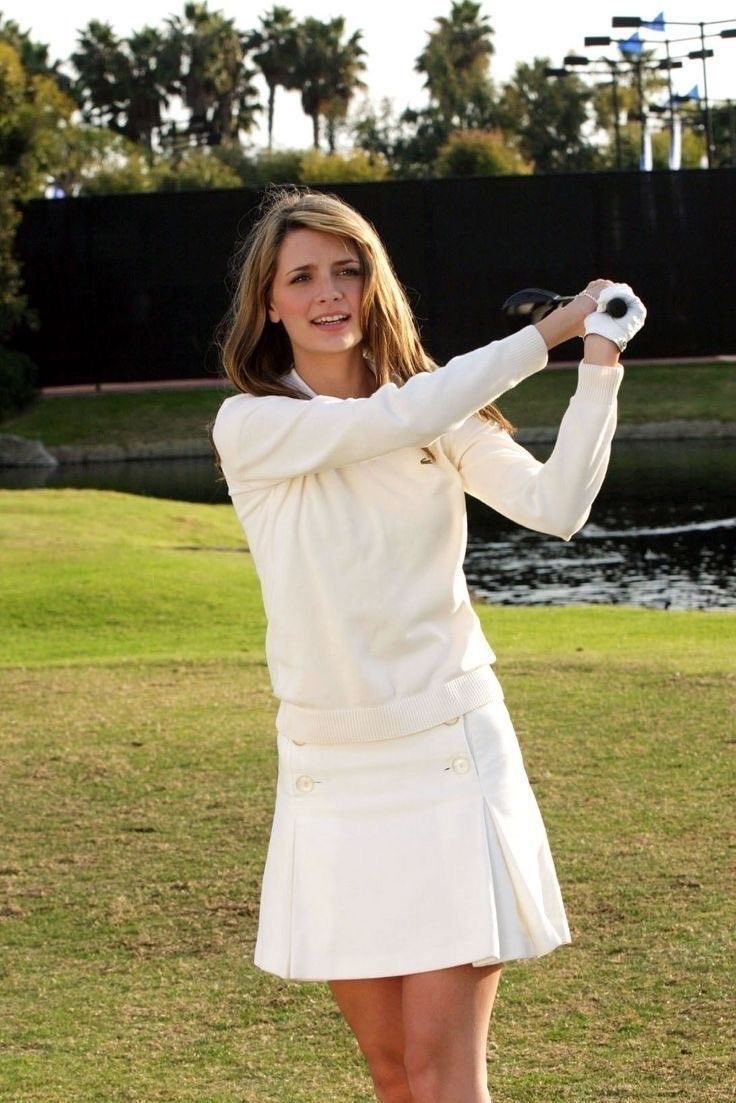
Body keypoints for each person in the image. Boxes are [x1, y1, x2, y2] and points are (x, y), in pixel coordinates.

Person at [212, 185, 646, 1103]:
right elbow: (386, 423)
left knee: (445, 1075)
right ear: (269, 302)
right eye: (303, 276)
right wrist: (550, 330)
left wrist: (597, 365)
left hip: (450, 750)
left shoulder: (437, 411)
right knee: (393, 1072)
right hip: (327, 767)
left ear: (375, 286)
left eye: (349, 270)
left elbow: (556, 505)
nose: (330, 293)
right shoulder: (251, 424)